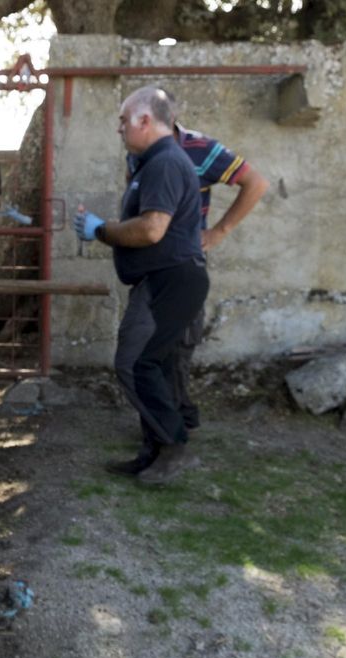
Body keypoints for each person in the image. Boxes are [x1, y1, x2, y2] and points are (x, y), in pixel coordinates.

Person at [75, 86, 208, 484]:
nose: (119, 130)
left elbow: (152, 229)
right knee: (156, 364)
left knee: (134, 363)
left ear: (145, 121)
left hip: (170, 279)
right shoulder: (154, 163)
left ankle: (173, 447)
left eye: (123, 121)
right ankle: (154, 451)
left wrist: (102, 230)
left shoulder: (165, 163)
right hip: (168, 279)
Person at [127, 97, 269, 435]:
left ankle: (172, 435)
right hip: (153, 266)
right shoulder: (137, 154)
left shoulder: (200, 148)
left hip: (183, 267)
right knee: (149, 350)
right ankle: (165, 426)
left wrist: (219, 231)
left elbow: (256, 183)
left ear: (163, 119)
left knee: (175, 351)